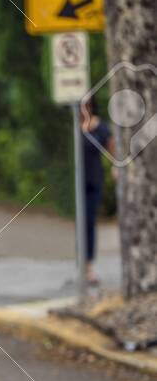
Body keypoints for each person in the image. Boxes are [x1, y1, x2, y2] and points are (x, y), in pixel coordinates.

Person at [81, 97, 114, 286]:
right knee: (79, 223)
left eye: (87, 105)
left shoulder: (100, 127)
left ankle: (88, 267)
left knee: (89, 222)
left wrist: (116, 167)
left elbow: (113, 150)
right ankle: (80, 265)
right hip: (74, 182)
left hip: (93, 180)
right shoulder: (72, 127)